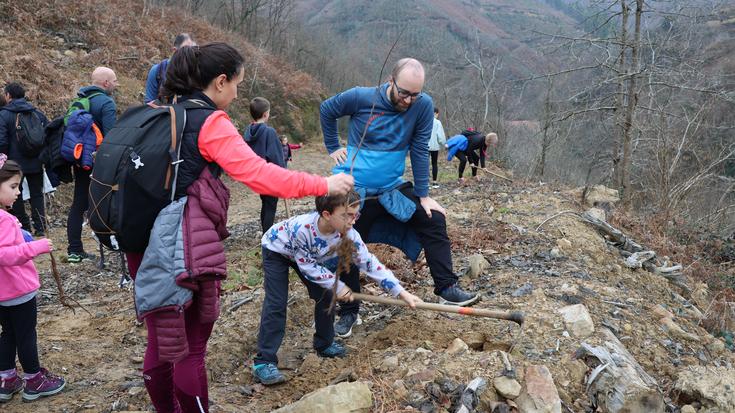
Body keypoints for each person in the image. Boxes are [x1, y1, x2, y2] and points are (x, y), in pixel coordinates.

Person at [125, 42, 353, 413]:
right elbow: (260, 176)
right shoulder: (209, 122)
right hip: (183, 248)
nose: (236, 93)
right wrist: (324, 185)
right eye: (236, 84)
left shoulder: (157, 111)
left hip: (141, 241)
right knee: (190, 347)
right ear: (219, 82)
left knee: (161, 339)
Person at [321, 57, 480, 339]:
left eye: (414, 94)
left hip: (391, 187)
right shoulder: (361, 97)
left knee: (433, 217)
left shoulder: (422, 106)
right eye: (403, 92)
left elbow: (419, 149)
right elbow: (327, 109)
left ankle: (446, 289)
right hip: (354, 188)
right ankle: (349, 310)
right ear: (390, 81)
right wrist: (333, 146)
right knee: (344, 241)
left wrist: (424, 195)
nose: (408, 100)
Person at [253, 190, 421, 384]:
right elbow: (307, 267)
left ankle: (324, 344)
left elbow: (370, 263)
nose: (353, 221)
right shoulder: (304, 230)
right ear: (327, 214)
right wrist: (338, 286)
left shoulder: (349, 234)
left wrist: (401, 292)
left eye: (355, 214)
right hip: (278, 250)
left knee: (326, 295)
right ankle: (263, 361)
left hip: (309, 257)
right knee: (276, 303)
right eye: (347, 216)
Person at [0, 154, 65, 403]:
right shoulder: (4, 219)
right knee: (26, 335)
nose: (18, 192)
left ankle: (6, 378)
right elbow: (4, 255)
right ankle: (34, 379)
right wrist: (35, 247)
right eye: (13, 186)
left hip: (3, 293)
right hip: (18, 291)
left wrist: (21, 234)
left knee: (8, 334)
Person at [65, 67, 118, 263]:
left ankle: (74, 249)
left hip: (80, 159)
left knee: (79, 202)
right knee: (107, 199)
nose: (116, 84)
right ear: (105, 83)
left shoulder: (79, 101)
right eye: (114, 80)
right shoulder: (106, 103)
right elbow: (112, 136)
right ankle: (113, 243)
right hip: (101, 161)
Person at [0, 83, 49, 236]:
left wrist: (4, 160)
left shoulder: (4, 115)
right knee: (37, 194)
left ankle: (23, 226)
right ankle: (41, 227)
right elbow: (47, 134)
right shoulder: (36, 113)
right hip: (36, 161)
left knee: (15, 192)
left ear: (8, 96)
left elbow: (2, 141)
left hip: (14, 163)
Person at [244, 97, 285, 233]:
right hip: (270, 175)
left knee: (266, 203)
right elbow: (276, 157)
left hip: (257, 174)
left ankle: (265, 233)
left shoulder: (248, 130)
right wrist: (284, 175)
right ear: (265, 114)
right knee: (270, 206)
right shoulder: (269, 132)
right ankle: (267, 236)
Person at [145, 33, 196, 103]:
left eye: (193, 50)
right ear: (175, 51)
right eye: (185, 49)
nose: (189, 54)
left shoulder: (197, 74)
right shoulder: (157, 71)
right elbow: (149, 104)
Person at [428, 107, 446, 188]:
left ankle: (426, 182)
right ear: (435, 113)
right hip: (434, 146)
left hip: (425, 146)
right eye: (438, 114)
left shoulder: (424, 120)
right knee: (434, 163)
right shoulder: (437, 122)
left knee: (425, 164)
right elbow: (440, 135)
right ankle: (434, 182)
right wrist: (443, 143)